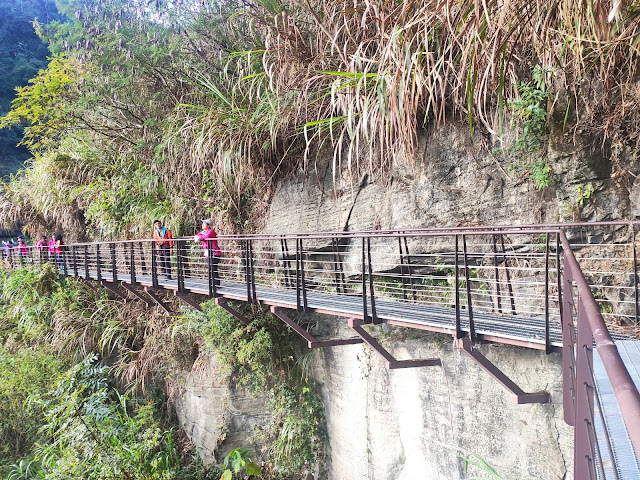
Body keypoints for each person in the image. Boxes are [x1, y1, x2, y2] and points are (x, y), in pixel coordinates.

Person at [194, 219, 221, 287]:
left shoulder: (211, 231)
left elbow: (206, 237)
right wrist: (199, 237)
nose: (202, 225)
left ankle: (216, 284)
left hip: (214, 252)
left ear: (208, 225)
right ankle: (213, 284)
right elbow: (196, 236)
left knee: (213, 268)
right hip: (207, 252)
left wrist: (199, 238)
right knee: (210, 268)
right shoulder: (203, 232)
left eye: (204, 224)